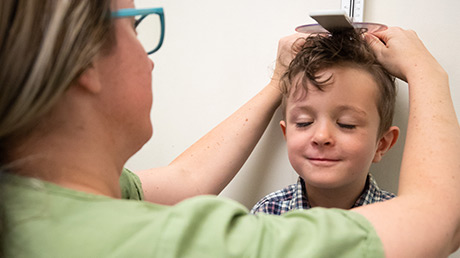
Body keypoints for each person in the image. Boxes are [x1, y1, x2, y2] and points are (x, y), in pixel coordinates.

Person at [1, 1, 459, 257]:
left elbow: (185, 181)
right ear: (84, 60)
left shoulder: (26, 200)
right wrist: (427, 73)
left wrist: (278, 84)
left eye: (345, 122)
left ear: (383, 142)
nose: (149, 57)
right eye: (137, 28)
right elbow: (439, 220)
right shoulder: (180, 244)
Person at [251, 30, 399, 215]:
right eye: (304, 123)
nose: (321, 136)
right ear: (286, 134)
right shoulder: (268, 214)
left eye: (347, 124)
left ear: (382, 144)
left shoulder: (398, 220)